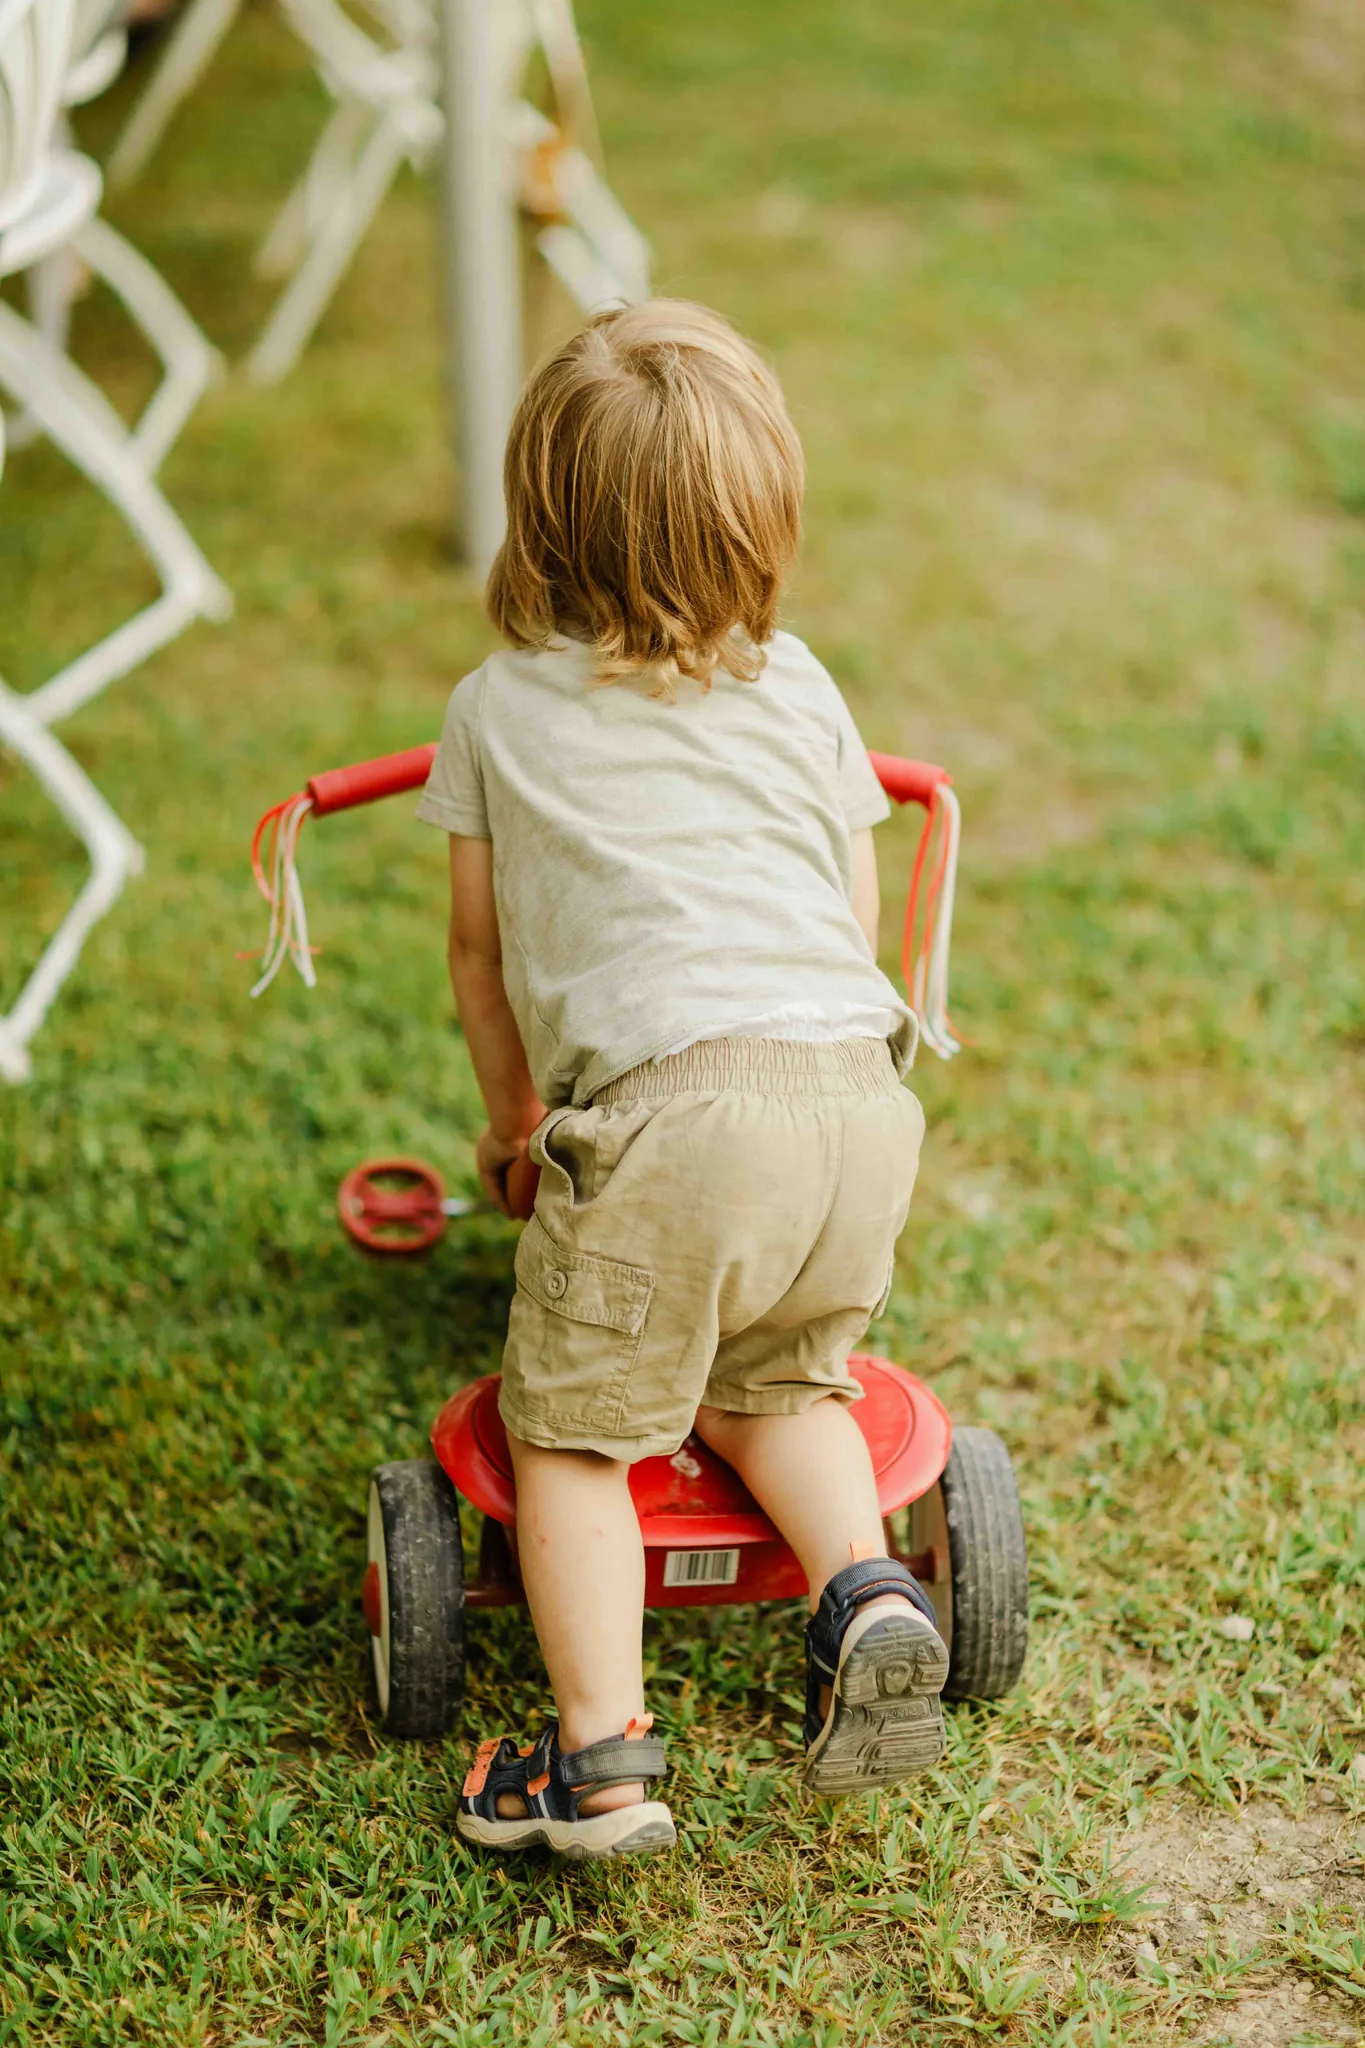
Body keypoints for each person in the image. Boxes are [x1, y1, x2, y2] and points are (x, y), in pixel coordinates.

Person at [417, 300, 948, 1861]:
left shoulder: (498, 710)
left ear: (541, 520)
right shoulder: (805, 689)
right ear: (762, 516)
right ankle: (864, 1593)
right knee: (781, 1375)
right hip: (855, 1101)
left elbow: (479, 957)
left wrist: (525, 1132)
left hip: (675, 1118)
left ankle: (597, 1767)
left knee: (574, 1434)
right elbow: (850, 918)